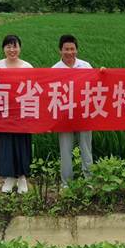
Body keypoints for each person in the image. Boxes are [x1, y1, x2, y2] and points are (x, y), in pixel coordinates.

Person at [0, 35, 33, 194]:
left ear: (20, 48)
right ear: (3, 49)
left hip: (22, 113)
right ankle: (9, 177)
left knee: (21, 144)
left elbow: (34, 89)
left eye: (15, 46)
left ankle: (22, 178)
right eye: (8, 46)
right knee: (6, 145)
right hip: (3, 113)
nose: (12, 50)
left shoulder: (27, 67)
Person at [52, 34, 93, 187]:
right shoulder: (54, 70)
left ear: (77, 50)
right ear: (60, 50)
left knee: (86, 149)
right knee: (65, 151)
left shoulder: (86, 66)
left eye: (72, 49)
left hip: (83, 114)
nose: (69, 52)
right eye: (66, 49)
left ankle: (89, 181)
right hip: (64, 116)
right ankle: (66, 184)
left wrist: (103, 73)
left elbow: (96, 85)